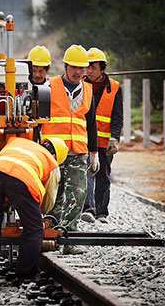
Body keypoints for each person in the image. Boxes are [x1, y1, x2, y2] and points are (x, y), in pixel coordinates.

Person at [0, 136, 68, 286]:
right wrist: (39, 215)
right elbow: (48, 200)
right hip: (21, 180)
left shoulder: (18, 141)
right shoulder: (51, 162)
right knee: (34, 229)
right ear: (55, 156)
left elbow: (6, 169)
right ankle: (24, 276)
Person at [41, 44, 98, 255]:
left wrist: (94, 153)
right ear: (65, 66)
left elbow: (91, 123)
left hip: (79, 152)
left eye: (82, 68)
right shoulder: (49, 87)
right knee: (54, 195)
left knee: (79, 193)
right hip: (54, 152)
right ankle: (52, 233)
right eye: (74, 67)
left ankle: (69, 238)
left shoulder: (89, 90)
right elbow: (40, 121)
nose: (78, 72)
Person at [81, 47, 123, 224]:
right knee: (87, 173)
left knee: (103, 176)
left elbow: (117, 116)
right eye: (87, 67)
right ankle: (88, 209)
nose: (89, 71)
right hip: (85, 138)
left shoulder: (114, 88)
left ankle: (101, 212)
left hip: (105, 142)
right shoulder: (81, 85)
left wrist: (115, 138)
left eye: (93, 67)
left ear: (102, 68)